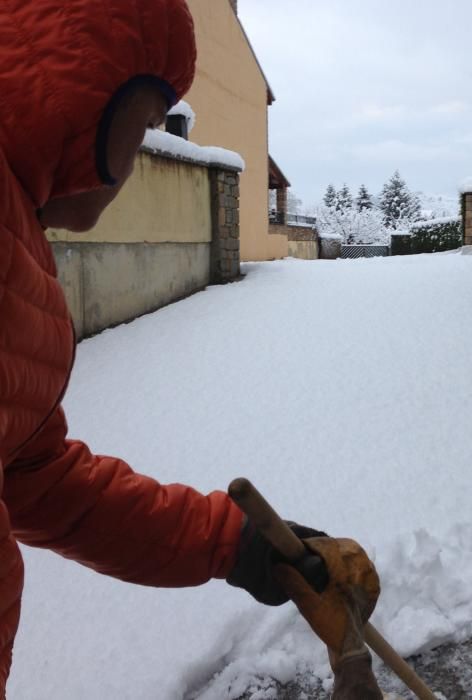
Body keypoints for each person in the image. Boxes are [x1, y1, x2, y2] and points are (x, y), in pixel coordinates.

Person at [0, 1, 326, 695]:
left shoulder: (20, 244)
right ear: (88, 92)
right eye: (149, 122)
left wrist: (234, 544)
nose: (146, 148)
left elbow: (35, 477)